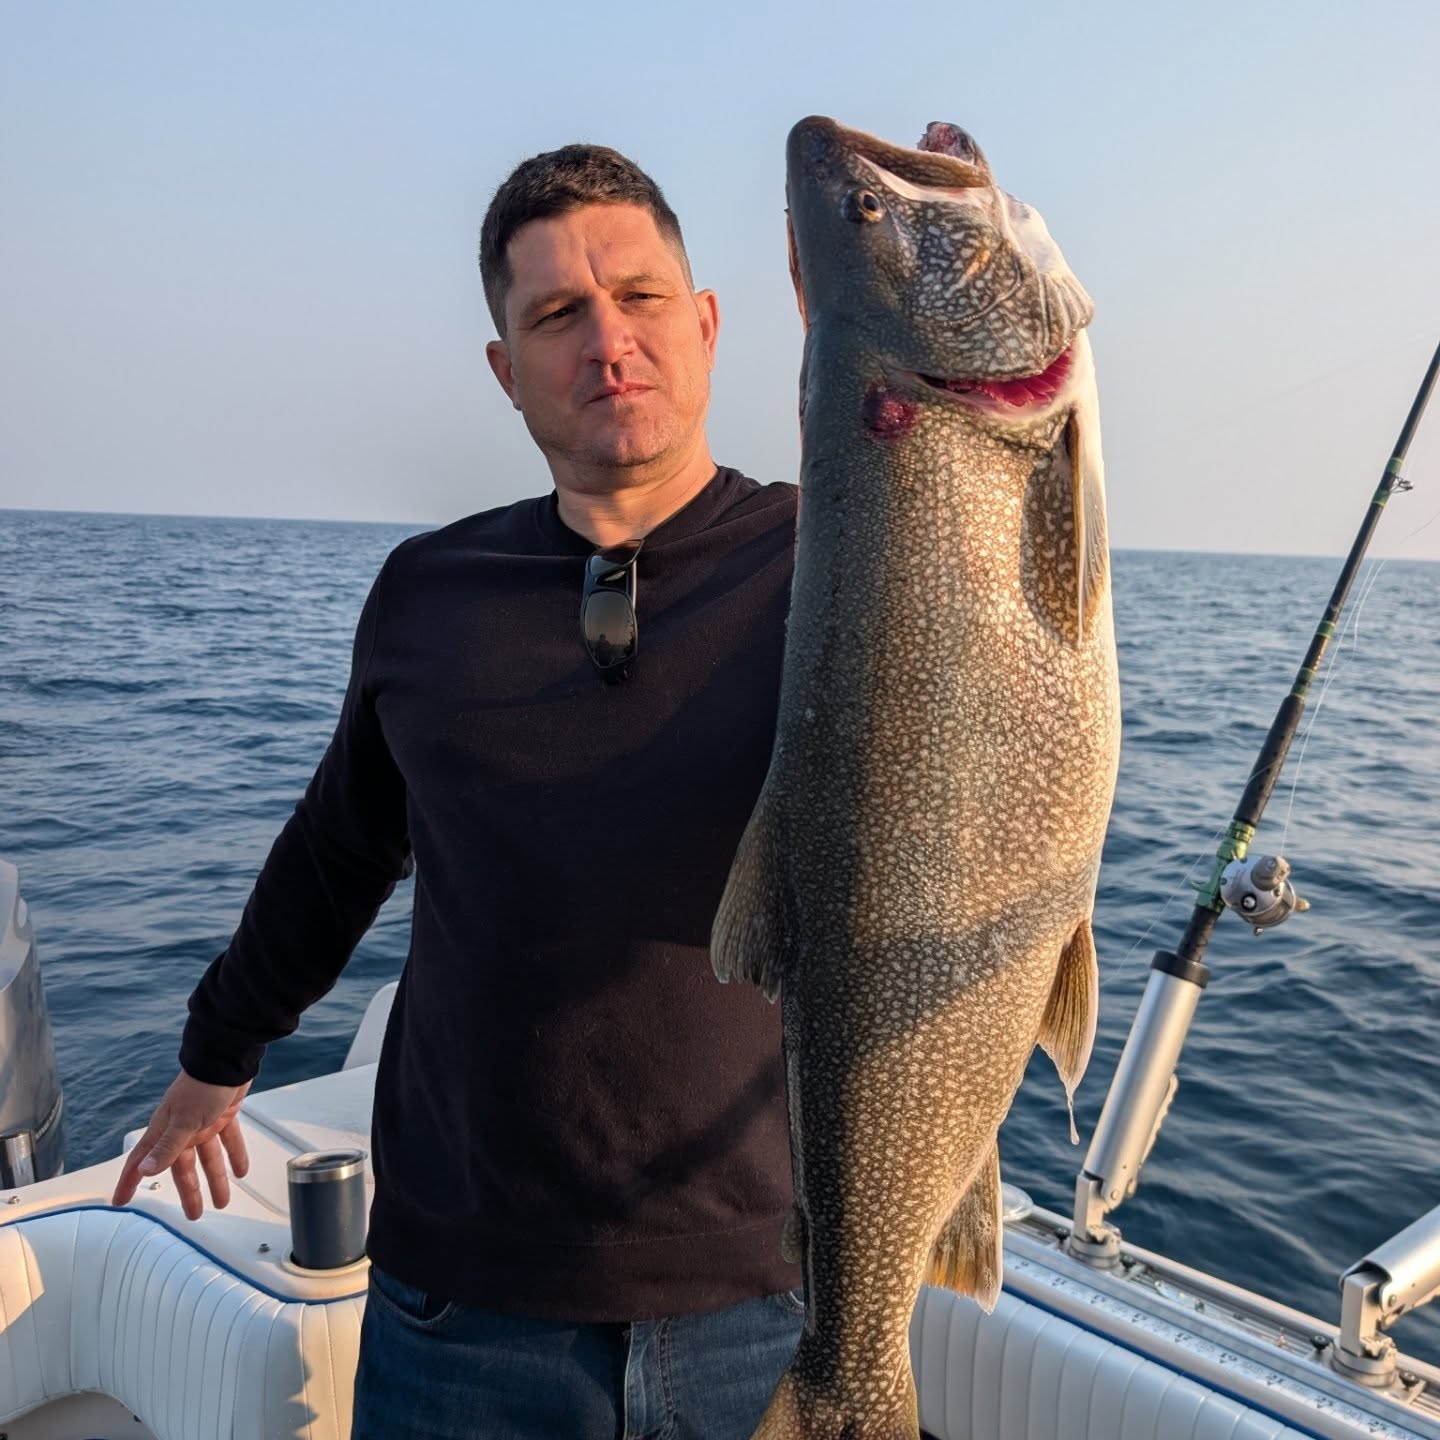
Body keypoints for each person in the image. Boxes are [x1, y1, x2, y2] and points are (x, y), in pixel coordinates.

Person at [110, 144, 803, 1439]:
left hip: (771, 1289)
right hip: (464, 1312)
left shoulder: (838, 572)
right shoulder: (429, 594)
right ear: (505, 368)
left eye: (640, 298)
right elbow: (338, 850)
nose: (608, 342)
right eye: (558, 313)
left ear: (707, 323)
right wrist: (217, 1053)